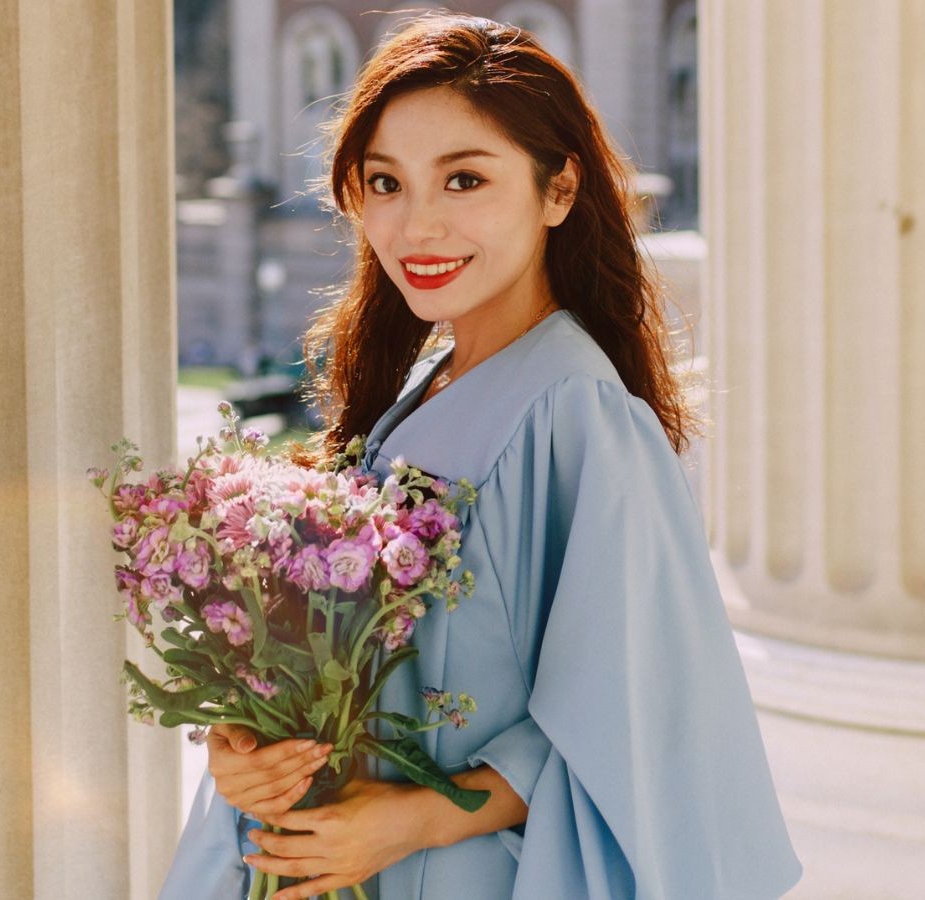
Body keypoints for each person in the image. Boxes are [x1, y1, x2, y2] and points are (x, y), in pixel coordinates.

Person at [159, 12, 803, 899]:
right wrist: (251, 748)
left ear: (559, 190)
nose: (417, 225)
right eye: (385, 183)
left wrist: (411, 818)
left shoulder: (576, 414)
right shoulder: (424, 388)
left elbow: (633, 712)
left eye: (464, 179)